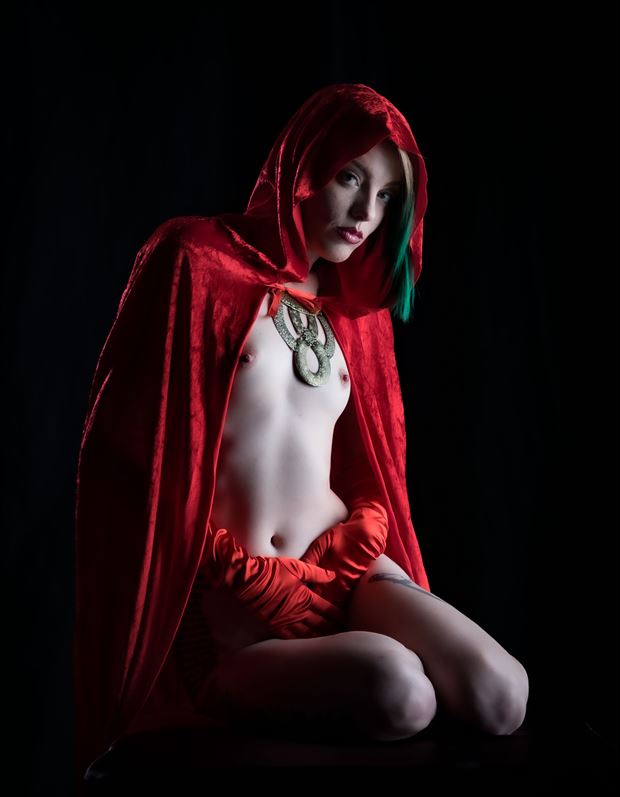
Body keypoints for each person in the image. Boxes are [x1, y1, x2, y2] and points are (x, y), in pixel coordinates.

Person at [74, 82, 529, 784]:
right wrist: (180, 595)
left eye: (387, 197)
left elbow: (373, 458)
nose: (366, 214)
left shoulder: (358, 316)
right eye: (351, 178)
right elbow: (128, 447)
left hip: (348, 568)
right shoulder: (195, 259)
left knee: (502, 694)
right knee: (401, 693)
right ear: (303, 165)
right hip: (237, 602)